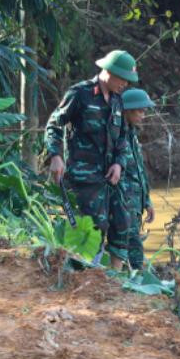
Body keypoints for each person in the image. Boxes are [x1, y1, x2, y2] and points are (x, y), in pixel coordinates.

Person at [44, 49, 137, 269]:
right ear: (108, 72)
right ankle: (81, 273)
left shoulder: (117, 101)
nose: (125, 84)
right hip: (84, 176)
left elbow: (123, 137)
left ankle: (113, 278)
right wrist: (55, 156)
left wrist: (118, 163)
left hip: (109, 177)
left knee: (122, 224)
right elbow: (54, 124)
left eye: (128, 80)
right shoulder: (80, 94)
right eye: (122, 78)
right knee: (93, 227)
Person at [118, 87, 157, 270]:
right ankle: (136, 280)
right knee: (131, 244)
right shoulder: (115, 136)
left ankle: (134, 276)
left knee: (133, 242)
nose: (143, 115)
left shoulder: (132, 135)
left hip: (135, 203)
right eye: (140, 111)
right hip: (122, 203)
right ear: (127, 111)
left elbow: (139, 171)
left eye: (144, 111)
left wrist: (147, 201)